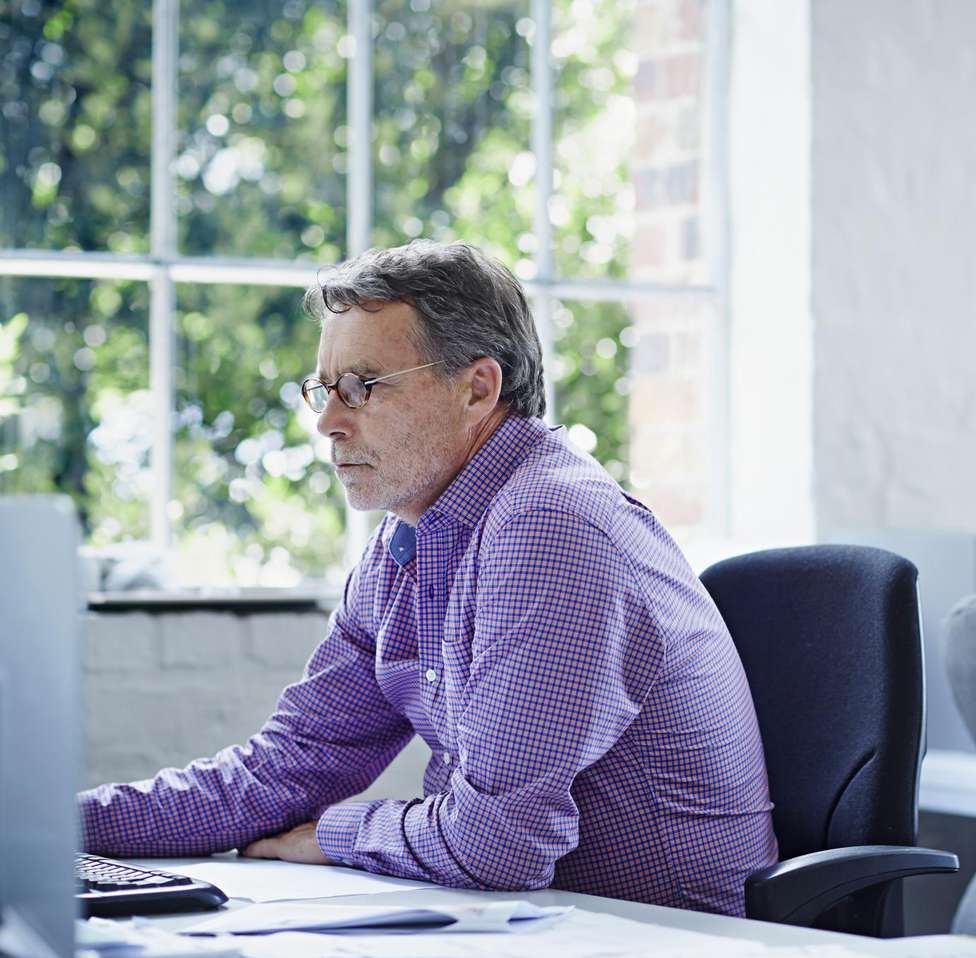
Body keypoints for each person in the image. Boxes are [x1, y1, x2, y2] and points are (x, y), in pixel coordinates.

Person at [78, 240, 778, 917]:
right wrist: (54, 831)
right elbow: (285, 768)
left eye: (363, 387)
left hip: (663, 952)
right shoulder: (409, 540)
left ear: (477, 388)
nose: (327, 422)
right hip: (543, 935)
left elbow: (498, 847)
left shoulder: (550, 526)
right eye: (324, 389)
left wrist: (336, 835)